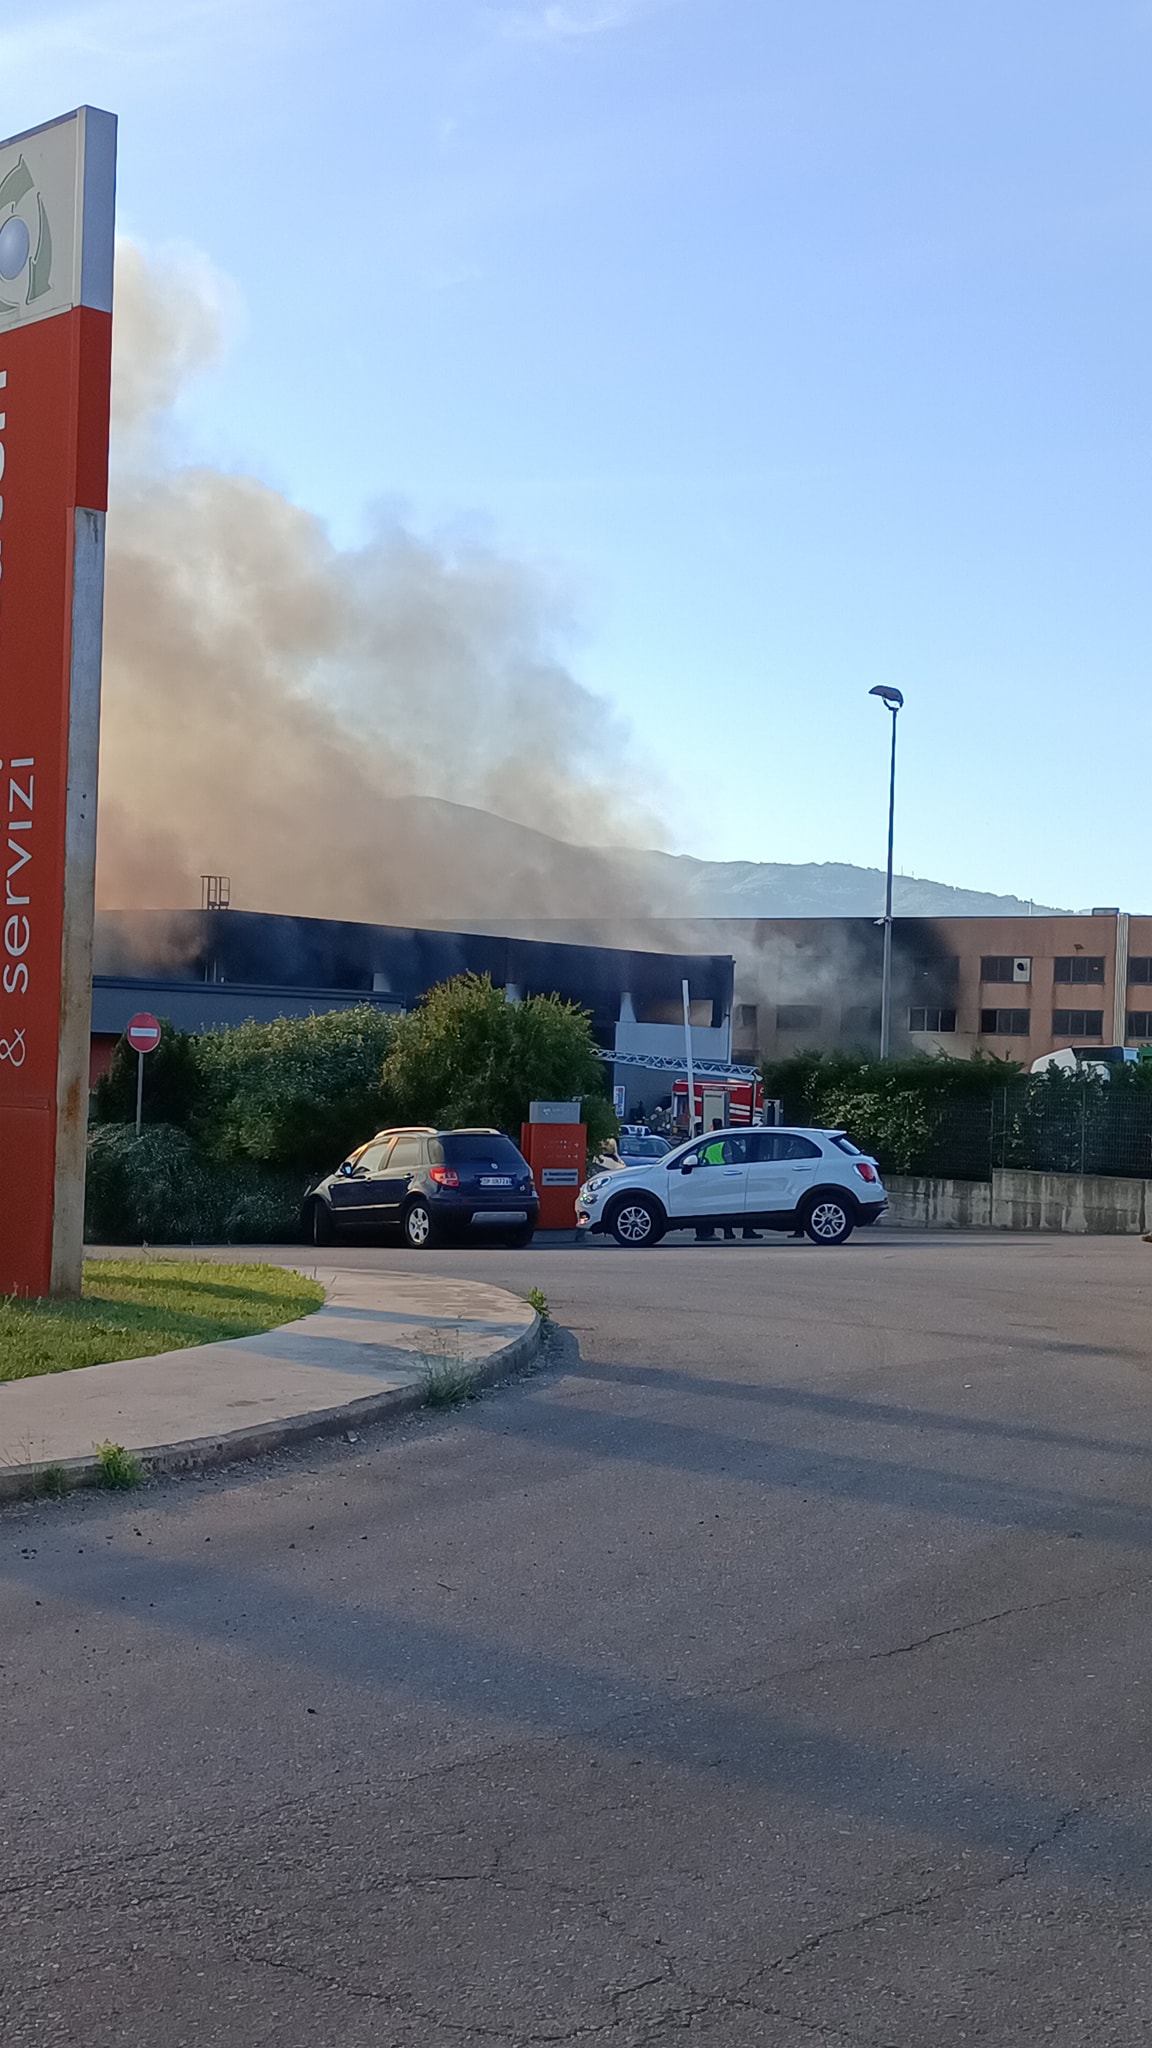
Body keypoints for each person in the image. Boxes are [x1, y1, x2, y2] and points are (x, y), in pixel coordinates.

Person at [694, 1122, 761, 1242]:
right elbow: (732, 1159)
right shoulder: (725, 1143)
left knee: (714, 1206)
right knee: (732, 1205)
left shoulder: (706, 1142)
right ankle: (736, 1232)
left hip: (706, 1177)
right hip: (723, 1176)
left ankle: (723, 1232)